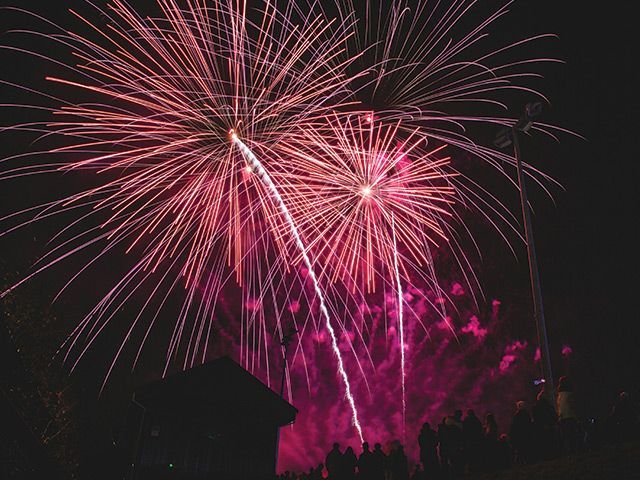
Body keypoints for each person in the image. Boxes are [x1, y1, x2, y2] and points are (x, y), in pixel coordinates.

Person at [532, 387, 559, 460]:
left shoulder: (536, 407)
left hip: (541, 429)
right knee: (552, 445)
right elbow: (554, 416)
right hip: (550, 427)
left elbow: (535, 418)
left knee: (544, 446)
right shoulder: (549, 406)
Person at [556, 376, 581, 454]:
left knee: (566, 436)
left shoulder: (559, 396)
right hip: (570, 416)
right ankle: (575, 451)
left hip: (562, 417)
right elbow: (572, 406)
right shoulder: (569, 394)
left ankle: (568, 452)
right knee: (573, 434)